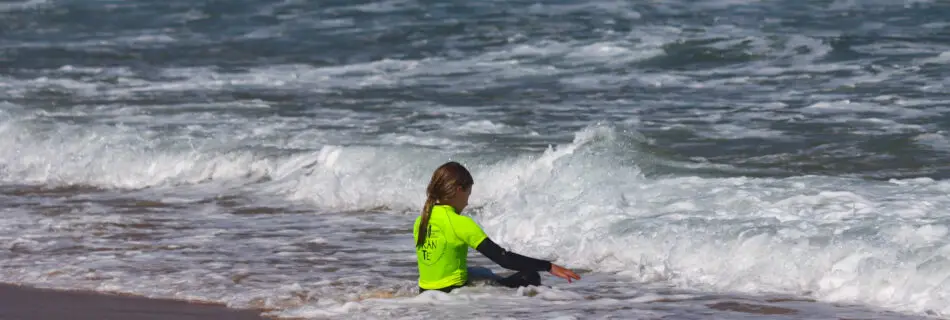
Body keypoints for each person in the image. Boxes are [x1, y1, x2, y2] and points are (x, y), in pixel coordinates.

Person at [413, 161, 581, 293]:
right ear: (459, 190)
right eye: (468, 194)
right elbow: (503, 259)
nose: (467, 202)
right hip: (452, 295)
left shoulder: (421, 220)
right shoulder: (460, 223)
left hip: (426, 292)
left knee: (480, 271)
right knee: (530, 275)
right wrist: (549, 266)